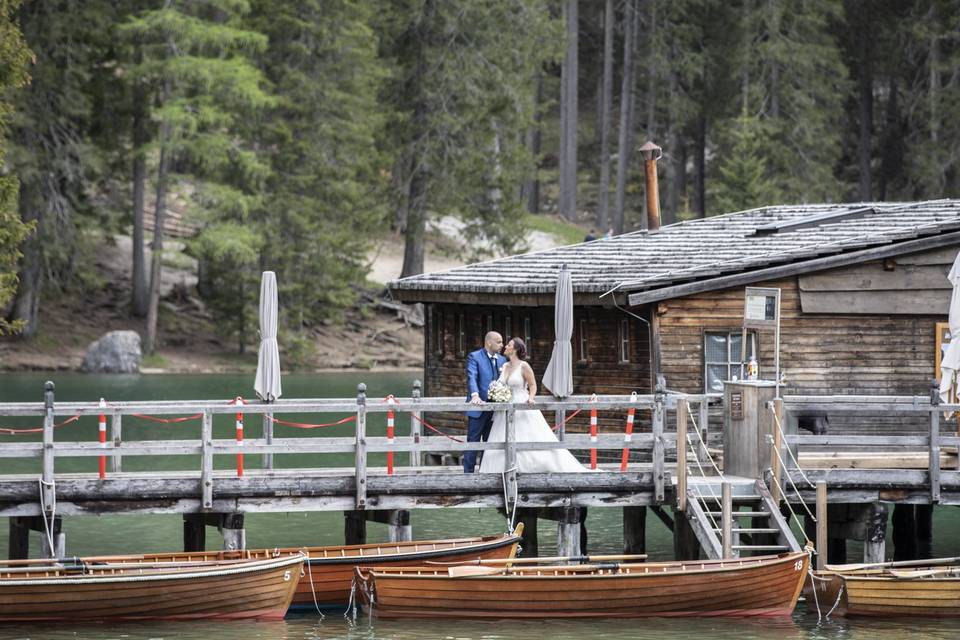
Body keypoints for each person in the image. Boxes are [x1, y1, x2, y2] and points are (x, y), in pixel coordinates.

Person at [480, 337, 588, 473]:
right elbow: (502, 385)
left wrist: (531, 398)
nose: (505, 346)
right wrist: (496, 392)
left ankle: (531, 467)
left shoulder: (524, 366)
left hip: (521, 402)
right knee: (502, 436)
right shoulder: (505, 366)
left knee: (527, 434)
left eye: (509, 345)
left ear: (515, 349)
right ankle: (500, 469)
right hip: (506, 406)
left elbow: (532, 385)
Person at [463, 331, 506, 473]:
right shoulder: (474, 357)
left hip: (495, 410)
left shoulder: (502, 360)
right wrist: (475, 395)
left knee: (491, 443)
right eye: (499, 342)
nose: (502, 345)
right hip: (478, 408)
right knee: (473, 442)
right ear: (489, 342)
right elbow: (472, 377)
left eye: (502, 342)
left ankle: (484, 473)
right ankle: (467, 476)